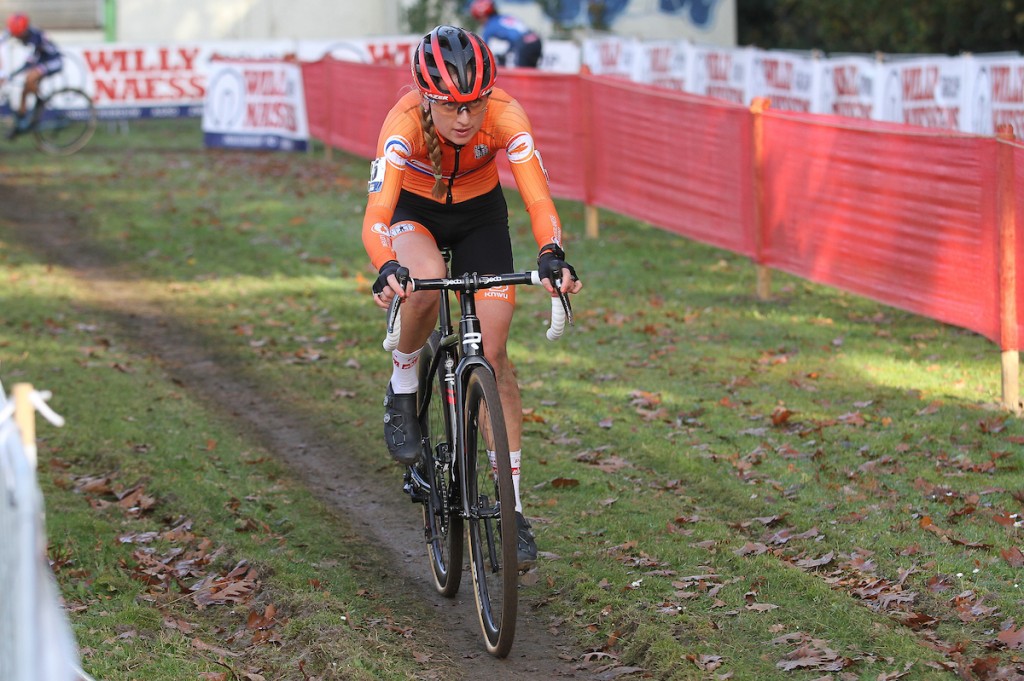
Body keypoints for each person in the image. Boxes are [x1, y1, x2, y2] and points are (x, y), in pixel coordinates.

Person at [362, 25, 581, 568]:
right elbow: (376, 219)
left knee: (496, 355)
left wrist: (551, 252)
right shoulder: (403, 124)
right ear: (426, 98)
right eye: (451, 106)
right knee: (424, 286)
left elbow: (537, 197)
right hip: (416, 215)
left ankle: (513, 511)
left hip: (482, 216)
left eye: (474, 104)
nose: (465, 119)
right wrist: (387, 265)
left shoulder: (506, 116)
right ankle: (403, 383)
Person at [1, 12, 62, 138]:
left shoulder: (36, 36)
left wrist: (13, 73)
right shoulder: (15, 30)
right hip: (40, 60)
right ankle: (20, 123)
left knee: (29, 78)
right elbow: (3, 39)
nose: (16, 38)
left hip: (52, 61)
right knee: (24, 89)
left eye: (18, 36)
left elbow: (31, 61)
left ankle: (41, 99)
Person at [469, 0, 543, 68]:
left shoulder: (489, 26)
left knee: (522, 75)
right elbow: (515, 38)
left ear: (483, 16)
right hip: (535, 40)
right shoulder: (506, 17)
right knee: (532, 71)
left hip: (524, 44)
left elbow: (483, 49)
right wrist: (506, 53)